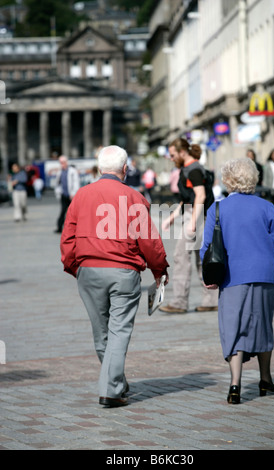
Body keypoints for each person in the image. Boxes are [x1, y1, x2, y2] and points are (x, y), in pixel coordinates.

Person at [60, 145, 169, 408]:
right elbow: (149, 241)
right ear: (125, 169)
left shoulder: (81, 195)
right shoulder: (133, 197)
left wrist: (76, 267)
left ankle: (115, 382)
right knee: (119, 330)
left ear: (99, 168)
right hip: (123, 271)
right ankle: (111, 389)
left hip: (88, 270)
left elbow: (68, 238)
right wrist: (160, 270)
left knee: (101, 333)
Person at [200, 158, 274, 405]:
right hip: (264, 273)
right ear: (254, 178)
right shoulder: (266, 206)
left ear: (227, 180)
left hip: (232, 276)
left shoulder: (217, 209)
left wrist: (210, 275)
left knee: (233, 326)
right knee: (263, 324)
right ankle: (265, 378)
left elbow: (206, 248)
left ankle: (235, 384)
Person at [159, 137, 218, 314]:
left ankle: (179, 302)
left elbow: (199, 196)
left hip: (198, 217)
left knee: (181, 257)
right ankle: (210, 300)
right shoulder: (190, 169)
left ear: (182, 152)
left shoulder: (193, 170)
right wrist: (172, 217)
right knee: (201, 259)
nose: (171, 158)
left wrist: (192, 222)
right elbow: (187, 199)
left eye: (172, 155)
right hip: (198, 216)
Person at [54, 155, 80, 233]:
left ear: (66, 162)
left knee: (73, 212)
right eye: (61, 162)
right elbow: (58, 184)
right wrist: (58, 192)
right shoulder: (59, 172)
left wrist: (73, 193)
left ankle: (76, 228)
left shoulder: (72, 171)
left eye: (63, 162)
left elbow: (76, 182)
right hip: (63, 195)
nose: (62, 164)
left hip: (71, 195)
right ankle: (59, 227)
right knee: (62, 211)